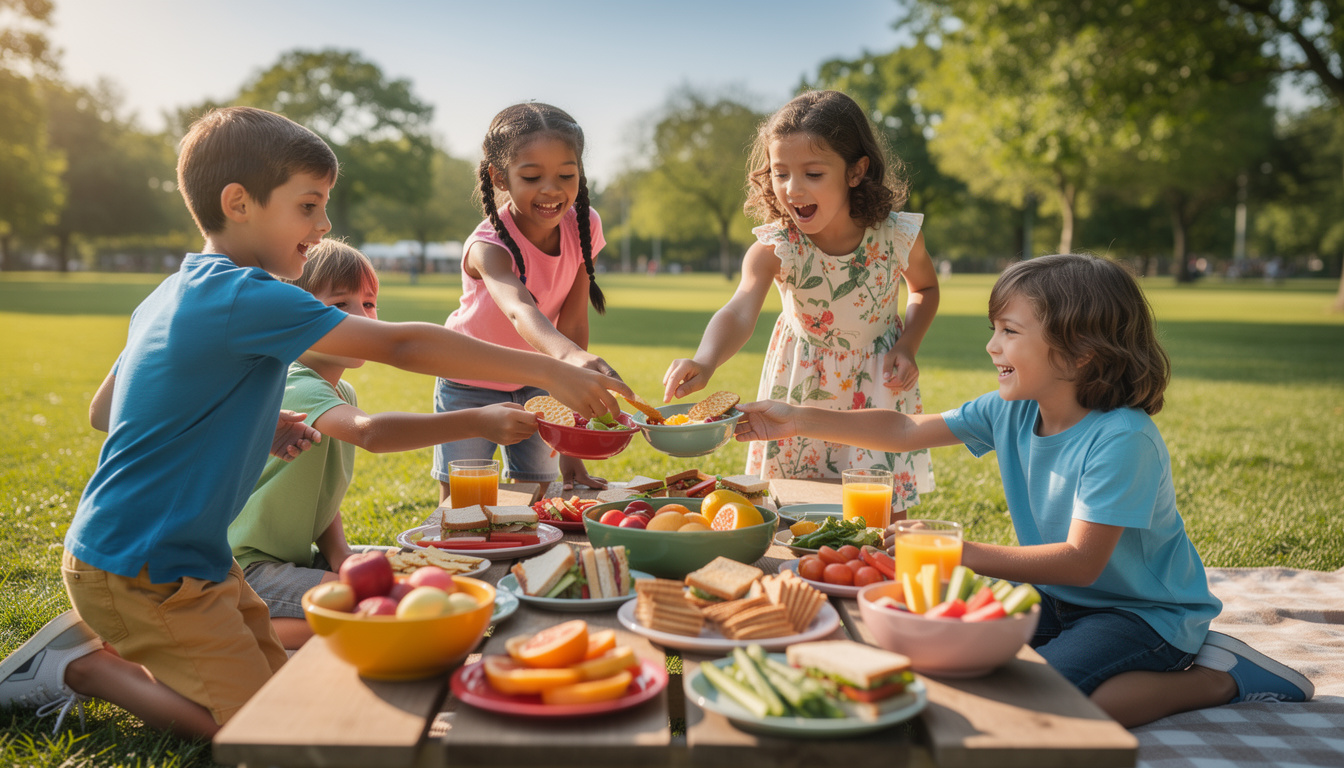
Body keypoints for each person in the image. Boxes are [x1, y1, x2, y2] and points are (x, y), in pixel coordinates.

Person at [0, 106, 627, 739]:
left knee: (287, 694)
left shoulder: (173, 290)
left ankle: (128, 655)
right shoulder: (248, 294)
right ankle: (81, 669)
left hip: (196, 562)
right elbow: (403, 344)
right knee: (270, 732)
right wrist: (550, 369)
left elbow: (105, 410)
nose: (324, 225)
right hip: (142, 568)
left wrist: (256, 416)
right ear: (239, 204)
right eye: (308, 206)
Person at [732, 253, 1314, 727]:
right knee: (951, 648)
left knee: (1055, 699)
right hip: (1055, 598)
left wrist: (957, 553)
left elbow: (1082, 562)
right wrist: (796, 418)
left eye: (1010, 332)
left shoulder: (1122, 440)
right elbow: (905, 430)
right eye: (995, 330)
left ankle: (1221, 677)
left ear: (1081, 352)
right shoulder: (1011, 410)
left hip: (1142, 614)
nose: (992, 347)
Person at [229, 239, 538, 650]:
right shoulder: (291, 380)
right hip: (246, 571)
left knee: (426, 576)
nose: (361, 319)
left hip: (296, 559)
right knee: (380, 608)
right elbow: (370, 433)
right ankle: (241, 631)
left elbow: (321, 498)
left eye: (369, 304)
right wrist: (476, 420)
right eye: (339, 305)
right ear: (292, 314)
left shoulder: (342, 392)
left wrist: (342, 556)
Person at [662, 90, 939, 514]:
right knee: (793, 507)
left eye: (813, 173)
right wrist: (705, 359)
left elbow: (925, 289)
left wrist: (908, 344)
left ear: (855, 171)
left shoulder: (897, 236)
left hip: (877, 385)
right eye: (781, 173)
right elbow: (739, 309)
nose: (792, 189)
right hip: (799, 384)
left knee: (879, 512)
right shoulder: (776, 246)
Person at [434, 102, 618, 502]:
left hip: (539, 380)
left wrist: (571, 445)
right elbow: (520, 310)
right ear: (499, 176)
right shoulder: (487, 246)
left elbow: (573, 323)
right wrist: (569, 358)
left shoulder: (584, 225)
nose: (551, 189)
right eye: (532, 177)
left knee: (536, 498)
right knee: (464, 501)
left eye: (566, 175)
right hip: (469, 380)